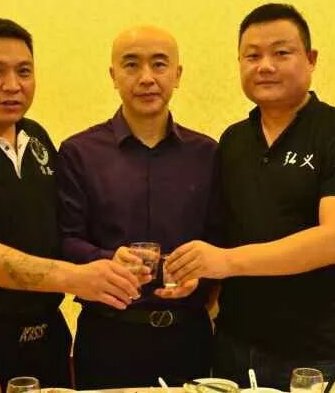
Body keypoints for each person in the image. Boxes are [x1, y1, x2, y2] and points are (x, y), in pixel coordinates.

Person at [166, 3, 335, 391]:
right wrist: (196, 276)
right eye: (252, 56)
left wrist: (225, 262)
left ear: (311, 59)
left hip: (317, 356)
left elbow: (334, 241)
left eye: (281, 53)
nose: (265, 66)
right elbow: (223, 233)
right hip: (232, 348)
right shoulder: (233, 141)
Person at [0, 17, 140, 389]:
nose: (12, 85)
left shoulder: (36, 137)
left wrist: (109, 260)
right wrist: (76, 277)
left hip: (49, 339)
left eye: (24, 71)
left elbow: (61, 231)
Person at [58, 25, 218, 388]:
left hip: (188, 337)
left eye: (159, 64)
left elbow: (220, 237)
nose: (146, 78)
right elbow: (64, 239)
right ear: (113, 75)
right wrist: (106, 260)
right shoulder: (79, 152)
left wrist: (201, 275)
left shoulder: (207, 153)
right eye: (131, 65)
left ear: (177, 74)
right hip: (107, 336)